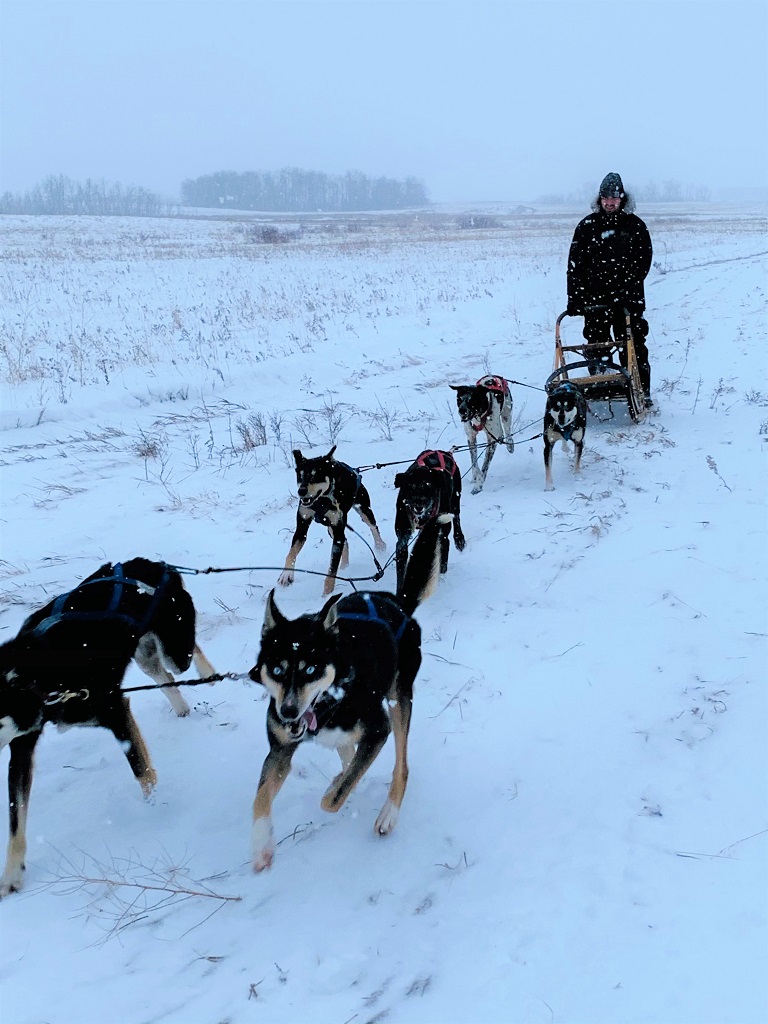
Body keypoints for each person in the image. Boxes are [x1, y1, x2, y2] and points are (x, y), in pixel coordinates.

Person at [566, 172, 654, 407]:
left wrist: (626, 291)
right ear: (600, 198)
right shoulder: (587, 227)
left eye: (614, 198)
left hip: (628, 301)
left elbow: (642, 263)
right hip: (595, 301)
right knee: (597, 345)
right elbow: (575, 266)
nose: (609, 202)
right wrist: (574, 298)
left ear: (622, 198)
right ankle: (601, 388)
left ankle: (641, 391)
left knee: (633, 344)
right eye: (605, 197)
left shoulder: (635, 226)